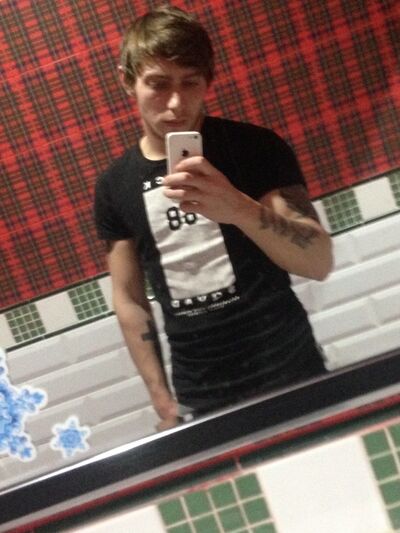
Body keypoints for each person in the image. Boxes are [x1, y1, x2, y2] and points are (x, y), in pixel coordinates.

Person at [94, 6, 333, 430]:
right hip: (201, 395)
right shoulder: (115, 186)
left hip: (292, 370)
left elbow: (318, 262)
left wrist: (236, 207)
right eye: (158, 84)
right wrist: (161, 399)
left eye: (190, 83)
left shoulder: (256, 148)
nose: (175, 103)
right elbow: (128, 298)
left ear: (208, 80)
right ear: (127, 81)